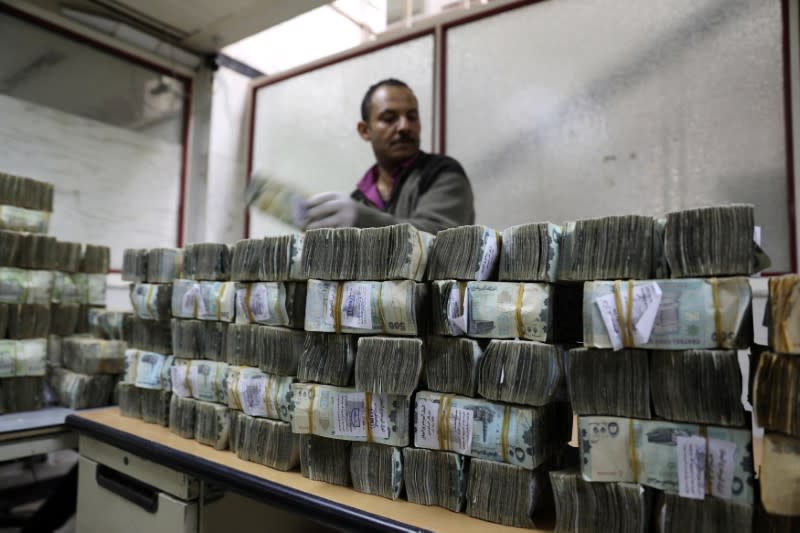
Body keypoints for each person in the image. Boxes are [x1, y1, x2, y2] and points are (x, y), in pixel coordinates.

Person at [304, 78, 475, 233]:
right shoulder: (359, 200)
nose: (404, 126)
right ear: (365, 131)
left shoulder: (442, 173)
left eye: (412, 117)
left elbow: (441, 240)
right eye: (389, 118)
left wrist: (363, 221)